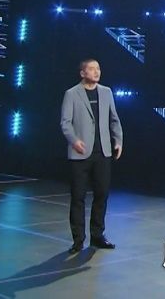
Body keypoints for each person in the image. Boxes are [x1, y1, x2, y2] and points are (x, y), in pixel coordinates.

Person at [60, 58, 123, 253]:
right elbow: (65, 123)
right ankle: (78, 239)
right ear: (82, 73)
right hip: (80, 154)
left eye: (98, 68)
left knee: (102, 194)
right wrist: (74, 140)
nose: (97, 72)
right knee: (78, 197)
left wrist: (118, 141)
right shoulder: (72, 94)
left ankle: (97, 236)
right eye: (92, 69)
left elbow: (114, 119)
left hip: (102, 152)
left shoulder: (106, 92)